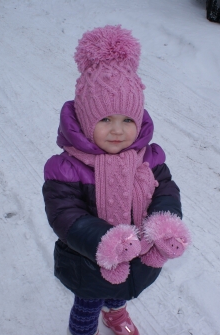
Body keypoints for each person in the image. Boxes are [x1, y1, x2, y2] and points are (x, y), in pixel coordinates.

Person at [42, 25, 190, 335]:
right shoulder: (66, 168)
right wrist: (103, 240)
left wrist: (166, 222)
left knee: (119, 291)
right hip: (88, 260)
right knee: (87, 304)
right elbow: (64, 216)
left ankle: (116, 313)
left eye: (127, 120)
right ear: (84, 122)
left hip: (135, 256)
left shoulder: (148, 157)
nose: (118, 130)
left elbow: (166, 190)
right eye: (105, 120)